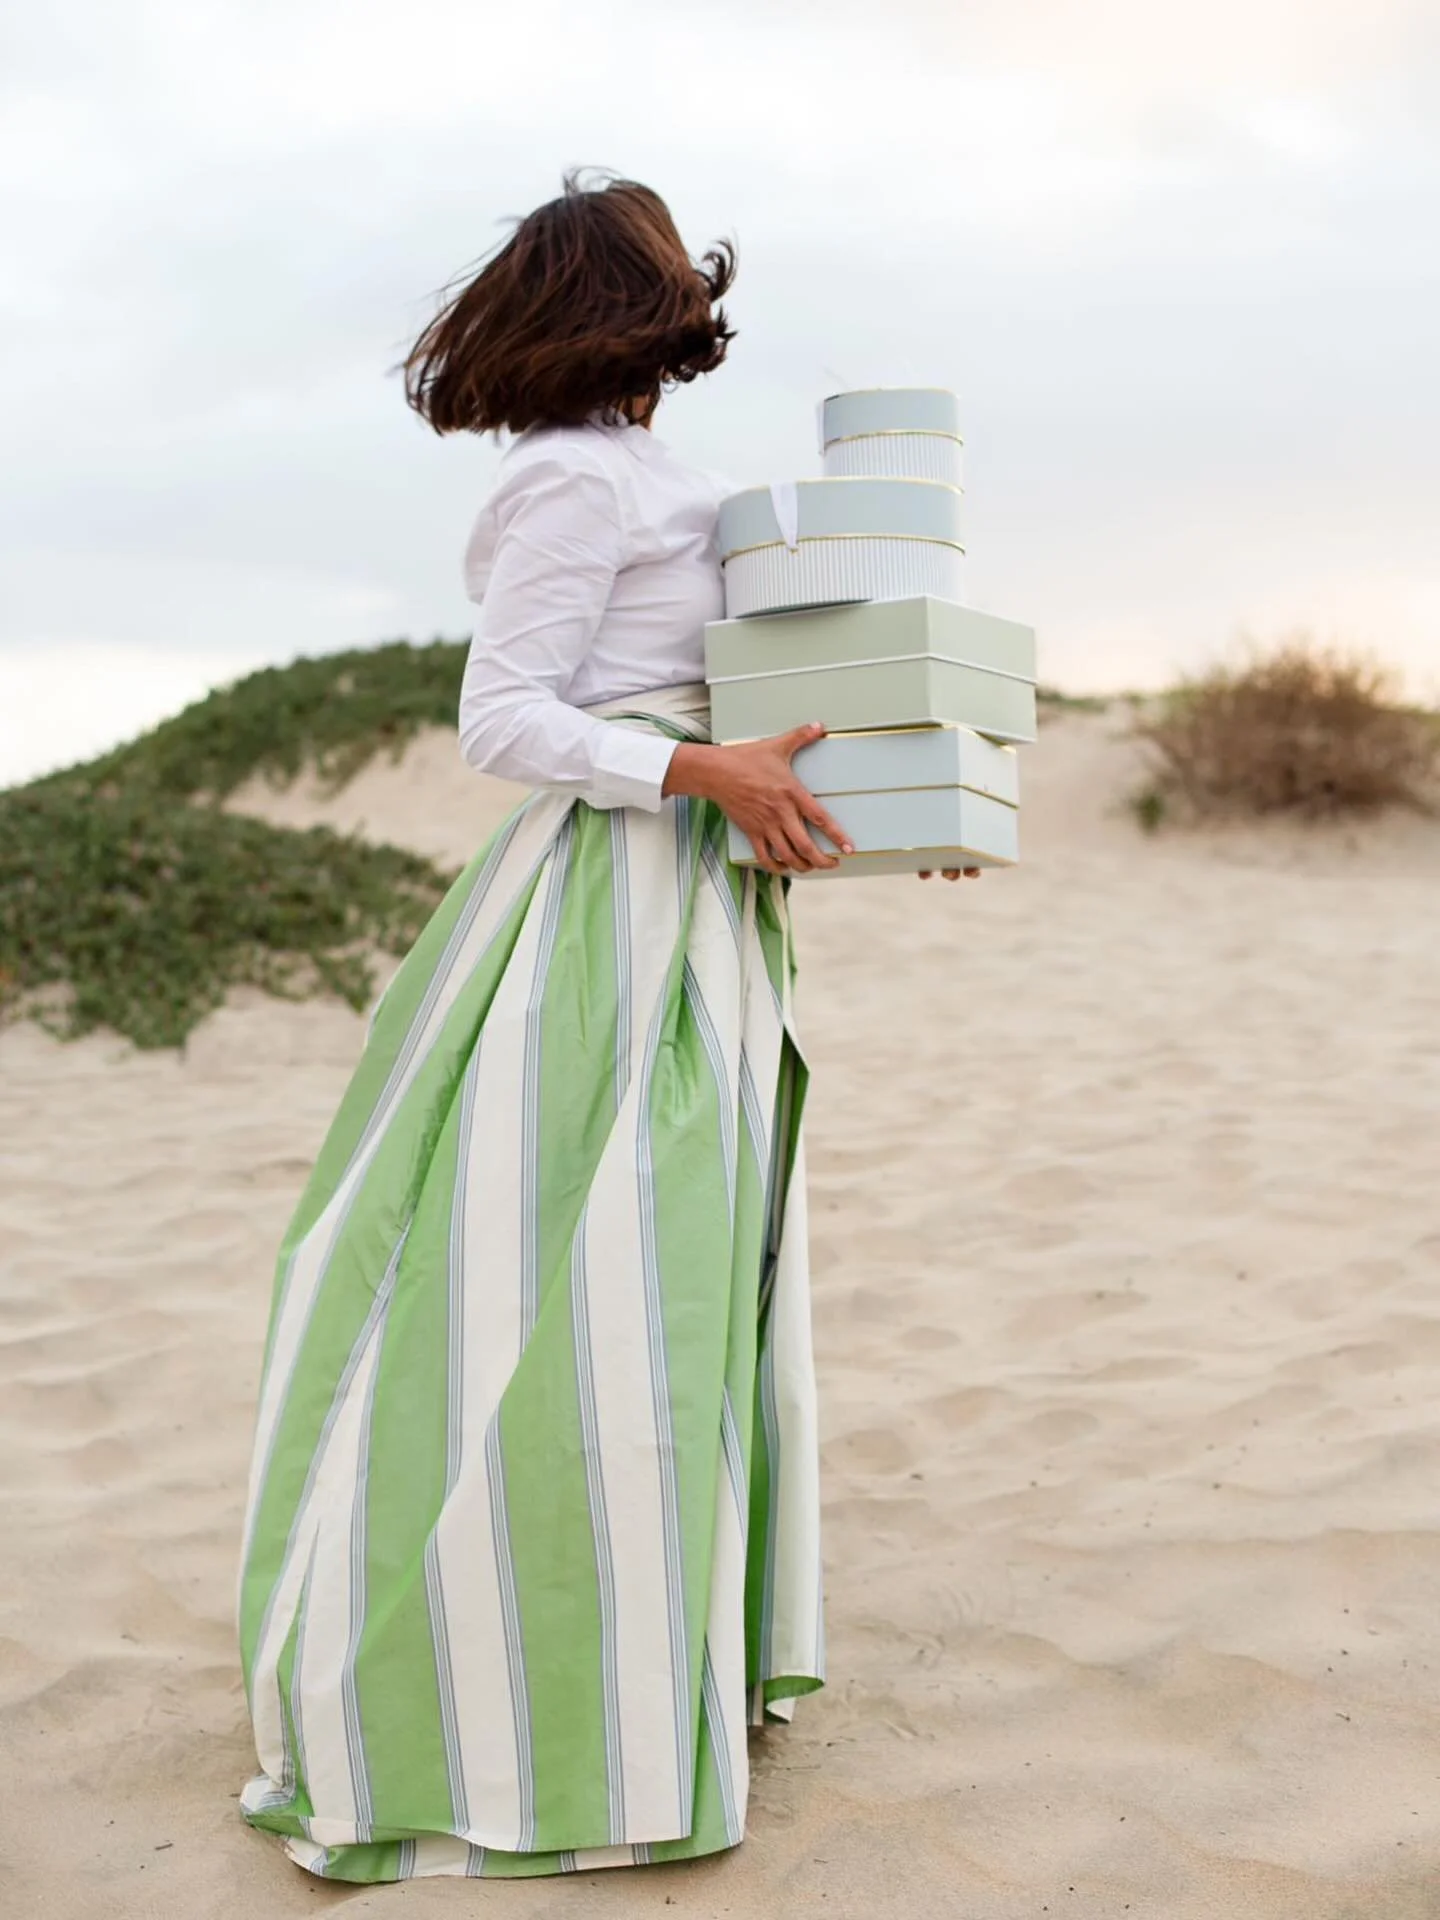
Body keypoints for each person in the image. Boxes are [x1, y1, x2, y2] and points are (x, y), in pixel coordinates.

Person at [234, 169, 977, 1885]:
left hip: (706, 906)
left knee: (683, 1280)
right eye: (662, 268)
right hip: (598, 916)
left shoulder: (677, 480)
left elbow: (758, 704)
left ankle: (654, 1672)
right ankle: (510, 1695)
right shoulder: (568, 482)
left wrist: (910, 807)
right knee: (576, 1284)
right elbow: (504, 719)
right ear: (626, 298)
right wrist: (693, 769)